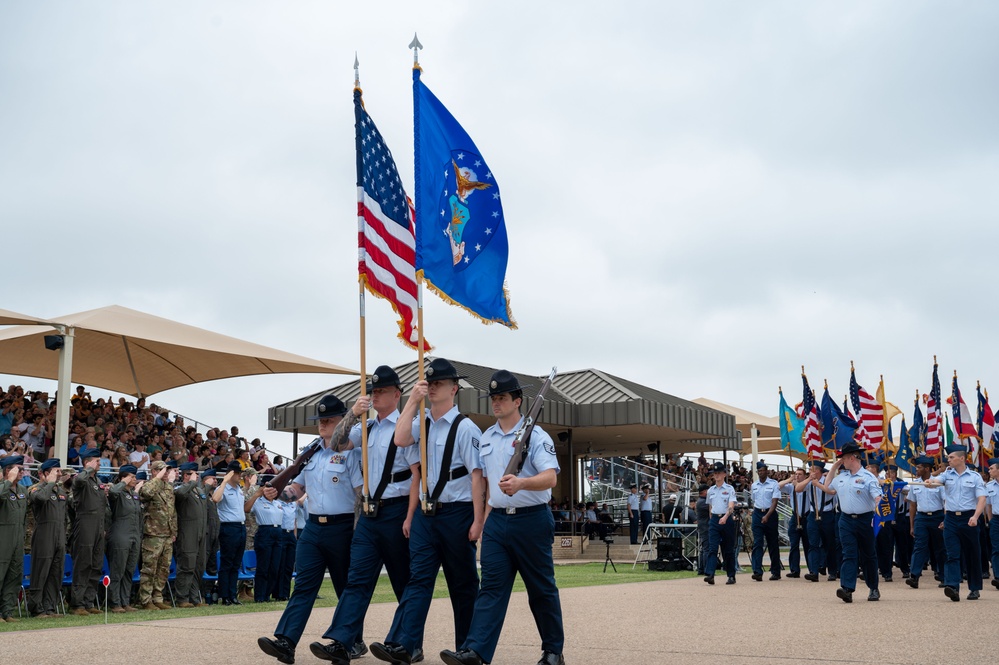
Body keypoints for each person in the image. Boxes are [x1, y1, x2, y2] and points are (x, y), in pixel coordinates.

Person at [440, 369, 564, 665]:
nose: (496, 403)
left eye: (502, 397)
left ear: (517, 401)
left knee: (540, 589)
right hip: (497, 521)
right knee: (491, 589)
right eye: (493, 398)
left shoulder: (536, 435)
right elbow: (482, 483)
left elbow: (550, 478)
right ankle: (476, 651)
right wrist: (480, 520)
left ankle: (553, 651)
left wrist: (521, 482)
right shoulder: (487, 437)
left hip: (531, 519)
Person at [369, 360, 484, 665]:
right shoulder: (421, 422)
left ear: (454, 389)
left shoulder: (466, 427)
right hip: (425, 514)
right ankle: (406, 645)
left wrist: (478, 520)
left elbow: (476, 477)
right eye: (430, 384)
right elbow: (400, 438)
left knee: (463, 583)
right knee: (418, 580)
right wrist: (412, 401)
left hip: (457, 513)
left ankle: (467, 648)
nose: (433, 387)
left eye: (439, 384)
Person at [305, 367, 420, 665]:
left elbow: (417, 476)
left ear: (397, 394)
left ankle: (409, 644)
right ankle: (342, 641)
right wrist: (352, 414)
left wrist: (410, 517)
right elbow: (336, 444)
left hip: (397, 509)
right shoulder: (363, 427)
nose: (375, 395)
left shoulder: (409, 425)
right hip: (369, 514)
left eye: (381, 391)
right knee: (357, 580)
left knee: (403, 581)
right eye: (373, 391)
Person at [257, 394, 366, 665]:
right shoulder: (311, 452)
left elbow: (359, 495)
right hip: (314, 528)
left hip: (343, 528)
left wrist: (358, 532)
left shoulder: (350, 453)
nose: (322, 424)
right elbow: (298, 488)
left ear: (343, 420)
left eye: (328, 419)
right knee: (303, 586)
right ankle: (286, 641)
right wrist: (279, 492)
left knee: (345, 587)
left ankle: (351, 641)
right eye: (319, 420)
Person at [814, 442, 881, 603]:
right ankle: (847, 588)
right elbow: (827, 486)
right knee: (848, 554)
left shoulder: (868, 477)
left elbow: (877, 498)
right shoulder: (841, 477)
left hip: (865, 520)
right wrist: (834, 466)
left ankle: (873, 588)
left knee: (868, 555)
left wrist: (878, 516)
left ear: (852, 458)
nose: (841, 461)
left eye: (843, 458)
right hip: (845, 520)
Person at [924, 444, 987, 601]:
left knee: (972, 554)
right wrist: (931, 480)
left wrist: (976, 516)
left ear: (961, 458)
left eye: (951, 457)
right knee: (951, 553)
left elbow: (982, 498)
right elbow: (935, 481)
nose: (948, 459)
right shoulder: (947, 475)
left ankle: (974, 588)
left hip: (969, 518)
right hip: (951, 519)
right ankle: (952, 586)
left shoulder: (974, 477)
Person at [69, 448, 109, 615]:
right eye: (96, 461)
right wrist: (87, 469)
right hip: (85, 522)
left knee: (96, 564)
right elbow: (78, 483)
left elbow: (103, 506)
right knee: (83, 564)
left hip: (98, 525)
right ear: (87, 463)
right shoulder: (81, 478)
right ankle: (77, 604)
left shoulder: (97, 481)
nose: (100, 464)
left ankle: (88, 601)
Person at [27, 458, 67, 618]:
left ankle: (50, 607)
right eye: (56, 471)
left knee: (56, 572)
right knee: (41, 570)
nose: (59, 474)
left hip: (59, 533)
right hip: (44, 533)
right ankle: (36, 607)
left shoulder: (60, 491)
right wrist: (50, 483)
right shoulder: (36, 489)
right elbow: (41, 499)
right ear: (45, 473)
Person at [138, 460, 178, 610]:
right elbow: (146, 493)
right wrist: (157, 478)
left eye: (167, 471)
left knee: (164, 568)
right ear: (154, 471)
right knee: (149, 567)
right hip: (153, 533)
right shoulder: (150, 485)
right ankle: (145, 599)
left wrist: (174, 531)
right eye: (162, 471)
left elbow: (172, 512)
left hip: (167, 534)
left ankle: (157, 597)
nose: (166, 474)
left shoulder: (168, 488)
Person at [905, 455, 946, 589]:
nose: (916, 469)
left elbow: (945, 503)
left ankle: (944, 576)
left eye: (919, 467)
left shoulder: (938, 483)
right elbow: (912, 505)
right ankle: (914, 576)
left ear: (927, 469)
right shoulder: (916, 484)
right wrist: (912, 525)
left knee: (940, 548)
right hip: (921, 518)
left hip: (937, 516)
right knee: (919, 546)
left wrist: (945, 520)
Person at [246, 467, 285, 603]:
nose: (271, 491)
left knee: (275, 567)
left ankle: (267, 594)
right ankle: (260, 595)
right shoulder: (258, 502)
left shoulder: (278, 503)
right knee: (263, 566)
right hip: (265, 531)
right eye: (268, 488)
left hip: (278, 532)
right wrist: (257, 494)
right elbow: (246, 508)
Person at [107, 464, 142, 613]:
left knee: (129, 570)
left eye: (134, 477)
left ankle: (125, 601)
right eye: (131, 477)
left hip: (134, 535)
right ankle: (115, 602)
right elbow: (113, 491)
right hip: (120, 535)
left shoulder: (134, 494)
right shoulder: (118, 492)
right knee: (118, 570)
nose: (134, 479)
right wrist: (123, 482)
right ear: (123, 477)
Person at [797, 460, 840, 582]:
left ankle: (832, 571)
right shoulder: (809, 482)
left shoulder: (828, 480)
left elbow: (831, 491)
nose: (811, 472)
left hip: (827, 514)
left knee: (829, 544)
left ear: (818, 471)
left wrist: (818, 484)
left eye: (812, 469)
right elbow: (798, 489)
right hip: (812, 514)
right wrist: (808, 480)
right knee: (813, 544)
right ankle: (813, 571)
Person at [173, 461, 208, 607]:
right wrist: (192, 483)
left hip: (200, 532)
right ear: (184, 476)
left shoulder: (198, 490)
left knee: (198, 565)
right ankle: (182, 598)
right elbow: (180, 494)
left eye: (194, 474)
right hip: (187, 532)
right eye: (189, 474)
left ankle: (194, 597)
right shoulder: (181, 488)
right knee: (187, 565)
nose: (193, 476)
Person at [212, 460, 247, 606]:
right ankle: (224, 595)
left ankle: (232, 595)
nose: (240, 476)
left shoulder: (239, 489)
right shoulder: (223, 488)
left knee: (236, 564)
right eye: (237, 473)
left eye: (240, 473)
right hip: (229, 527)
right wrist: (224, 482)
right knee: (227, 563)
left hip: (241, 527)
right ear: (230, 473)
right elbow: (215, 499)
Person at [0, 455, 27, 623]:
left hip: (18, 539)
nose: (22, 472)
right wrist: (8, 481)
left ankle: (7, 611)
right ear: (8, 471)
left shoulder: (23, 491)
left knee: (14, 575)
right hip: (3, 538)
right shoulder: (2, 487)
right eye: (19, 469)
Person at [702, 462, 737, 585]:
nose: (716, 475)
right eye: (715, 473)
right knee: (712, 547)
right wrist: (712, 518)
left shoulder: (729, 489)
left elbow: (731, 505)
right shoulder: (711, 490)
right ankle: (710, 574)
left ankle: (731, 575)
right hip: (715, 520)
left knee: (728, 549)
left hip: (726, 519)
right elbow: (710, 506)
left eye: (719, 473)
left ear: (724, 474)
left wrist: (726, 516)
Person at [749, 461, 781, 581]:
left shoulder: (774, 484)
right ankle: (757, 571)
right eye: (759, 471)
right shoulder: (754, 485)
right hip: (758, 513)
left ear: (767, 471)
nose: (761, 472)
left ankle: (775, 571)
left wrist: (767, 515)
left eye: (763, 470)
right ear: (757, 472)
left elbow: (775, 502)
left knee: (772, 543)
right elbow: (754, 500)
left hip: (770, 514)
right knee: (757, 543)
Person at [778, 469, 809, 579]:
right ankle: (795, 570)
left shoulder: (808, 485)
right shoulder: (791, 487)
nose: (797, 476)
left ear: (805, 476)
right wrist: (790, 479)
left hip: (806, 517)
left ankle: (812, 569)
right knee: (794, 544)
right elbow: (778, 486)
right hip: (795, 517)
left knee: (808, 545)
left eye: (800, 474)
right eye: (796, 474)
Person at [201, 468, 221, 603]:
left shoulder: (213, 496)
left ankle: (209, 592)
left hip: (215, 534)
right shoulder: (201, 494)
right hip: (205, 534)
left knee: (213, 565)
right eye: (212, 478)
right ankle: (201, 593)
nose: (215, 481)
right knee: (203, 563)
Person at [986, 457, 999, 591]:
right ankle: (998, 577)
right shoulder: (989, 486)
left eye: (991, 469)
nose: (989, 470)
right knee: (996, 549)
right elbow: (988, 506)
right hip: (996, 519)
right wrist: (990, 521)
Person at [694, 484, 710, 576]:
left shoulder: (701, 501)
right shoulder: (702, 502)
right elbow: (713, 508)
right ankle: (706, 569)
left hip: (703, 527)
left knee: (703, 549)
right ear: (704, 492)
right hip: (705, 527)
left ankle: (701, 569)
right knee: (706, 549)